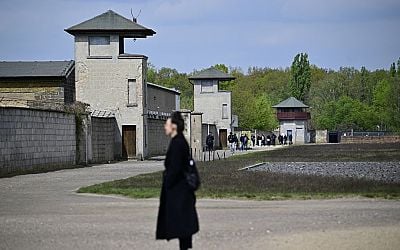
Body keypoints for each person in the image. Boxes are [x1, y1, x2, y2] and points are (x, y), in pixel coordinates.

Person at [156, 112, 199, 250]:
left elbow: (175, 168)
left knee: (182, 224)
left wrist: (168, 184)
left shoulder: (177, 143)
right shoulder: (180, 141)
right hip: (181, 190)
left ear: (174, 126)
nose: (165, 127)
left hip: (179, 191)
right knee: (183, 224)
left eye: (167, 124)